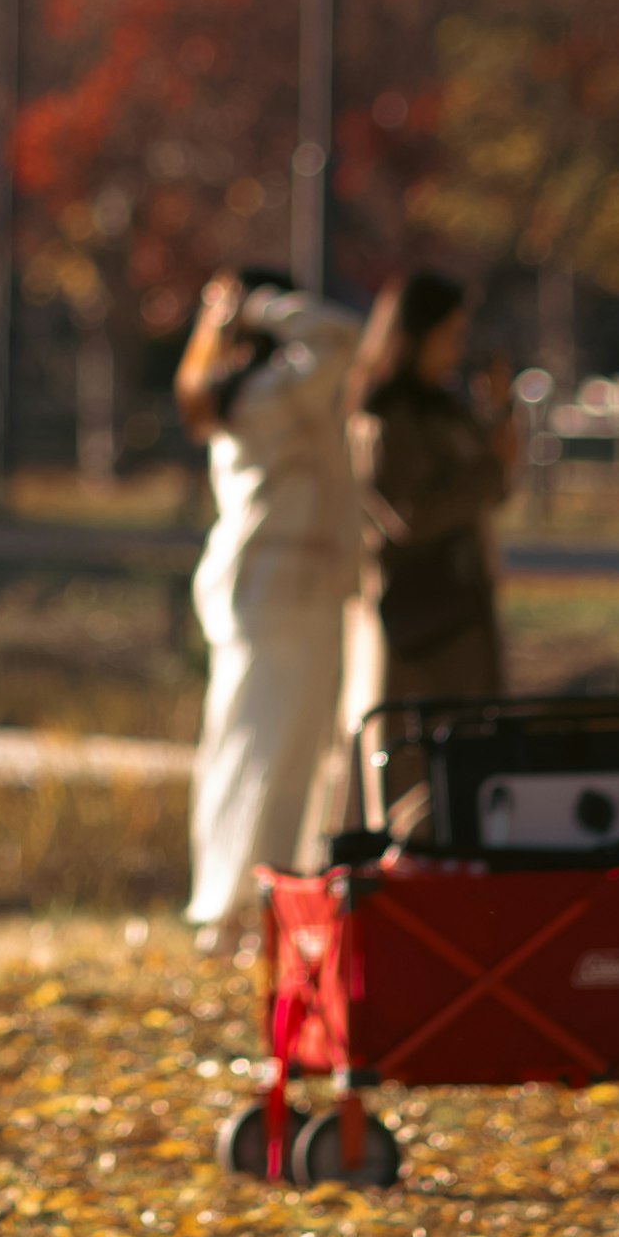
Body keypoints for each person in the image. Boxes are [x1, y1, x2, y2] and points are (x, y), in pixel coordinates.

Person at [176, 261, 373, 943]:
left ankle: (251, 901)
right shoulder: (272, 393)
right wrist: (258, 305)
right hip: (281, 594)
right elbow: (344, 335)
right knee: (267, 748)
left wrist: (231, 315)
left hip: (275, 591)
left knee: (266, 744)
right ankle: (244, 902)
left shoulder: (254, 396)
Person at [352, 264, 516, 825]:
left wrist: (500, 414)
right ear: (414, 334)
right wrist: (490, 472)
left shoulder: (445, 407)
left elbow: (495, 478)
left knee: (469, 767)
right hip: (417, 621)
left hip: (463, 612)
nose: (456, 348)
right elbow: (408, 513)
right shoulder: (385, 416)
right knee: (409, 773)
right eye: (448, 334)